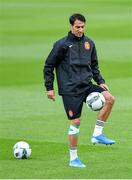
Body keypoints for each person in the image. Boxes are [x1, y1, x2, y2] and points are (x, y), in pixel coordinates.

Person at [43, 13, 115, 168]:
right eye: (77, 27)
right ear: (71, 26)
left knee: (110, 99)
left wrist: (100, 81)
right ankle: (73, 158)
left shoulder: (89, 43)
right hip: (70, 89)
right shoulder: (61, 45)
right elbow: (49, 65)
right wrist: (49, 88)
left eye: (83, 26)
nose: (80, 30)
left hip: (86, 85)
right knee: (75, 122)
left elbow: (94, 65)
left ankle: (97, 134)